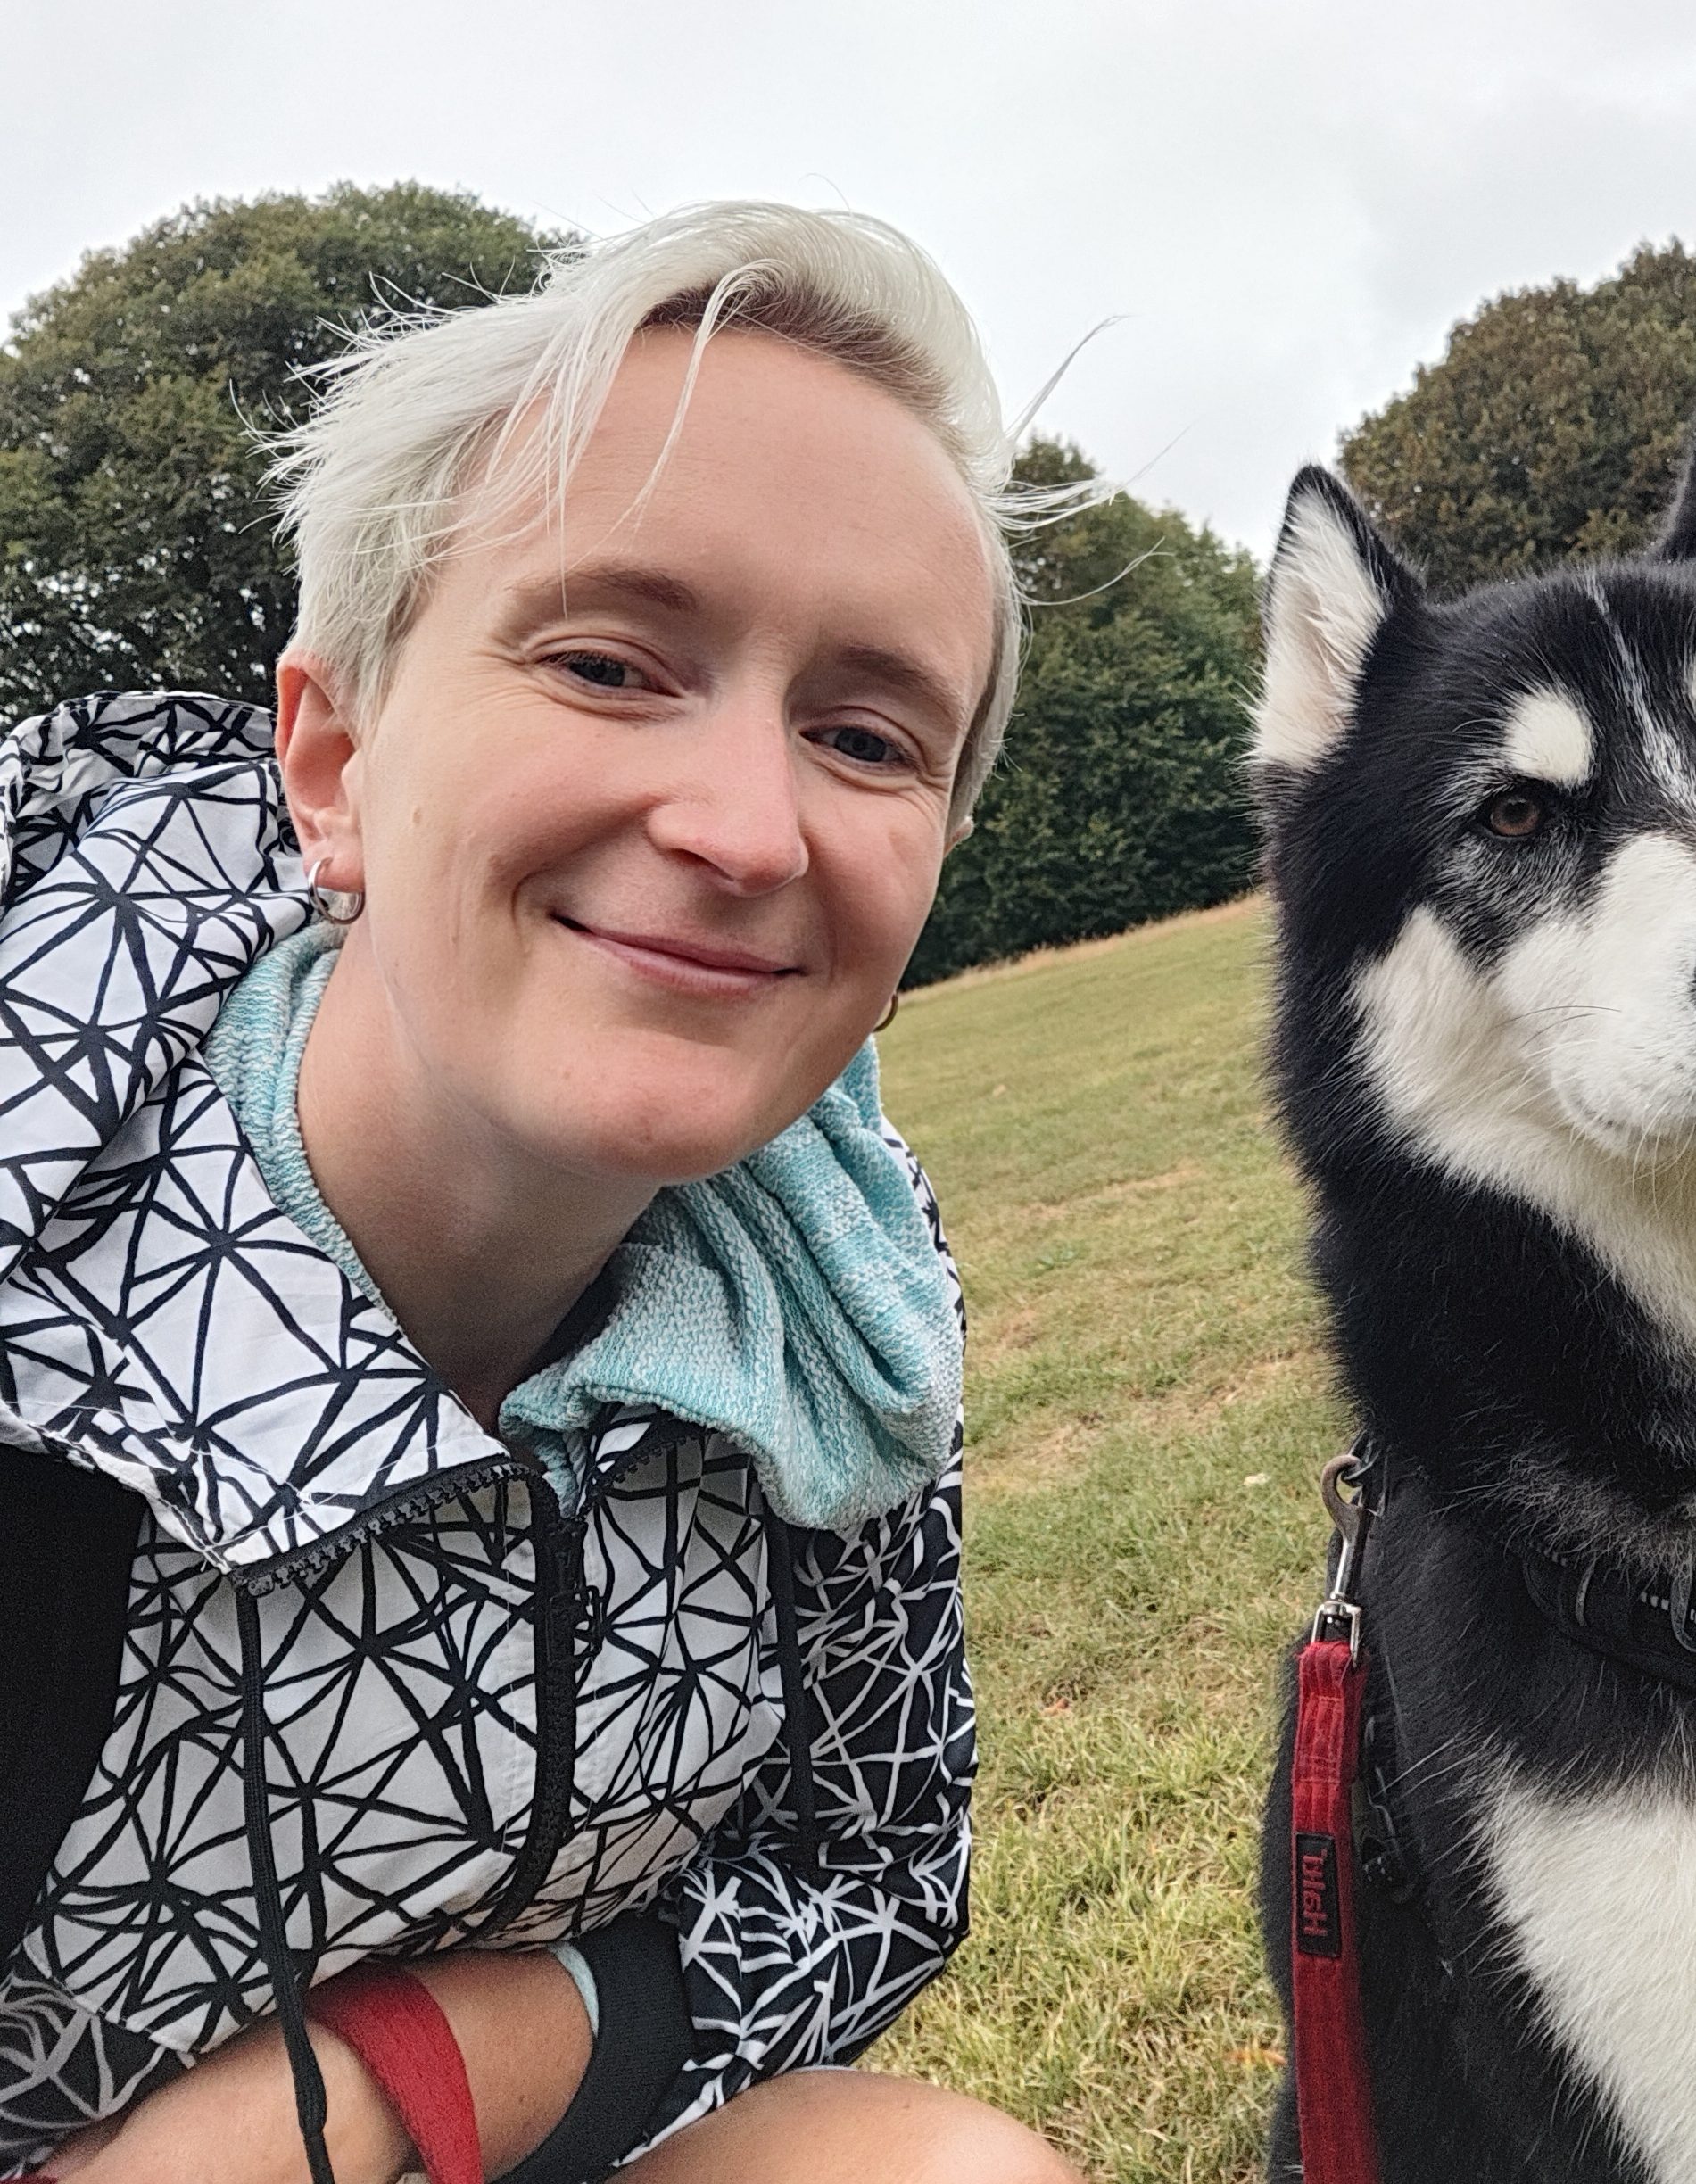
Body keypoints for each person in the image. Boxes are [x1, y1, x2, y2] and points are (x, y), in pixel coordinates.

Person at [0, 203, 1080, 2184]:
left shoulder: (826, 1298)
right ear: (330, 761)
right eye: (607, 663)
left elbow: (868, 1877)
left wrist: (399, 2073)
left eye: (863, 735)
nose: (748, 829)